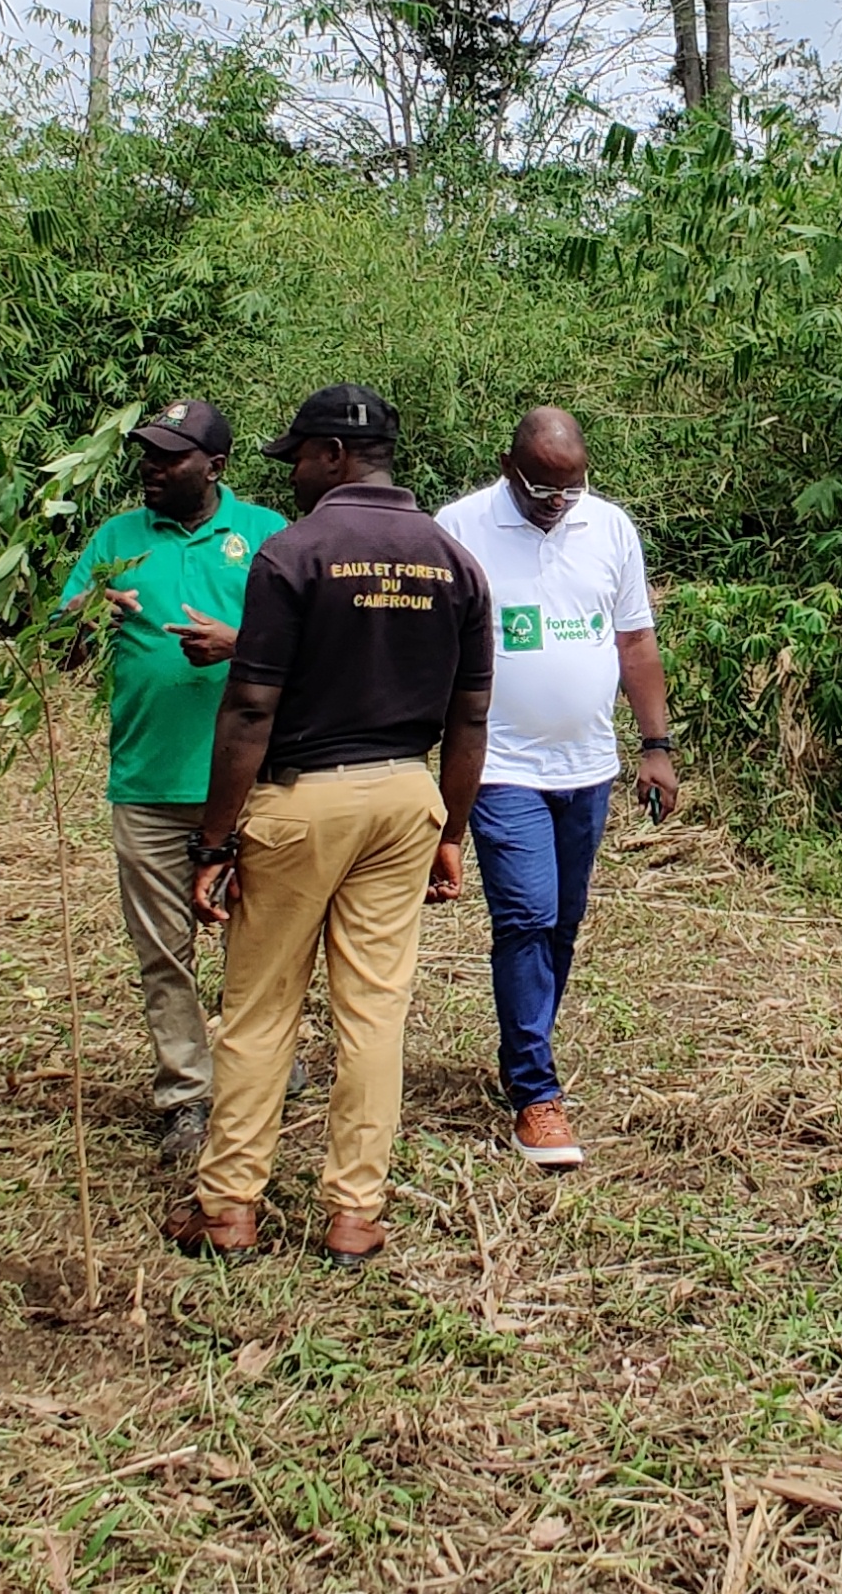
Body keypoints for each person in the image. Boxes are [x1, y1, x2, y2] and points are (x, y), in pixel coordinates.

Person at [169, 385, 495, 1264]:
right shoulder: (453, 561)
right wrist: (450, 833)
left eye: (301, 459)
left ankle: (230, 1205)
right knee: (374, 1013)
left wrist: (214, 841)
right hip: (403, 798)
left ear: (334, 456)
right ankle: (355, 1211)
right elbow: (471, 719)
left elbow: (248, 708)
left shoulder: (295, 552)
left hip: (304, 799)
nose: (298, 475)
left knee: (260, 1008)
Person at [433, 407, 678, 1170]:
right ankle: (536, 1094)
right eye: (543, 489)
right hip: (499, 763)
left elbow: (634, 639)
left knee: (563, 923)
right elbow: (429, 645)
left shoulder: (608, 527)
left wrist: (656, 745)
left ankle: (521, 1050)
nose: (557, 504)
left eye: (570, 490)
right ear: (509, 469)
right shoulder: (460, 527)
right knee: (528, 915)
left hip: (588, 767)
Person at [53, 399, 286, 1157]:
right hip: (149, 781)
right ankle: (186, 1093)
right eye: (147, 454)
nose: (151, 467)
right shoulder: (117, 539)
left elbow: (316, 649)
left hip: (252, 784)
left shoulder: (267, 536)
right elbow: (57, 646)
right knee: (163, 950)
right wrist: (88, 614)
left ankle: (262, 1070)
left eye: (170, 456)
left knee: (259, 942)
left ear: (215, 467)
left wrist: (239, 645)